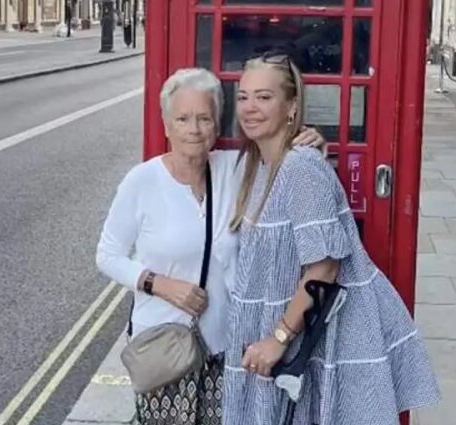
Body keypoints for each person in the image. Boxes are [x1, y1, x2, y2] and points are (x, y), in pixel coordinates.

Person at [95, 68, 323, 425]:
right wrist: (159, 284)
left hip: (225, 347)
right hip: (164, 346)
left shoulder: (235, 169)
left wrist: (310, 142)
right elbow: (107, 255)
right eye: (183, 119)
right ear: (166, 125)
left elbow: (286, 163)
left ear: (217, 125)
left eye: (204, 118)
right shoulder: (141, 182)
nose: (194, 129)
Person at [222, 53, 441, 424]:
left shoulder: (301, 167)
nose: (250, 107)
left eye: (264, 97)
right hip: (269, 333)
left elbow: (324, 265)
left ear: (292, 106)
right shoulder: (255, 165)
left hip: (304, 335)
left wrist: (278, 338)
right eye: (243, 97)